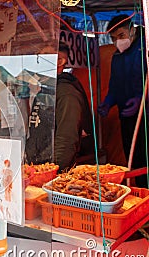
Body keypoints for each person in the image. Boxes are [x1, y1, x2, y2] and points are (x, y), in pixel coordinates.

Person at [97, 15, 148, 188]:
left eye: (120, 36)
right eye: (113, 38)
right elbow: (115, 86)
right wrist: (108, 102)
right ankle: (142, 195)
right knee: (134, 160)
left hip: (145, 117)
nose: (117, 42)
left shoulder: (145, 48)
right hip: (126, 118)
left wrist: (141, 98)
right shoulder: (117, 57)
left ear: (132, 30)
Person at [55, 42, 93, 171]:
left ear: (60, 61)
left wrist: (54, 171)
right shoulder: (45, 88)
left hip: (52, 171)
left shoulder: (67, 93)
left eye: (42, 56)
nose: (37, 61)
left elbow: (66, 140)